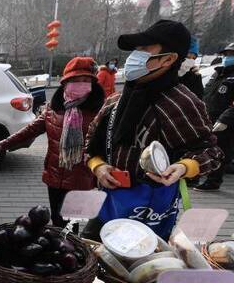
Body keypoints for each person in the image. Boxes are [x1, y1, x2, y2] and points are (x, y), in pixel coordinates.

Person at [83, 20, 222, 240]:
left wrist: (183, 167)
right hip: (109, 202)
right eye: (135, 50)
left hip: (149, 210)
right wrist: (97, 166)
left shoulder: (180, 103)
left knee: (139, 269)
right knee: (89, 258)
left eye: (145, 50)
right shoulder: (117, 100)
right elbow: (92, 140)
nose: (133, 57)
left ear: (168, 59)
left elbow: (210, 152)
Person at [0, 57, 103, 227]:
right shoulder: (53, 108)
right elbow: (31, 129)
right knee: (56, 219)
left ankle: (70, 247)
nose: (81, 84)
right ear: (66, 83)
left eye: (86, 80)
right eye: (76, 80)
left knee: (71, 223)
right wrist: (4, 143)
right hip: (55, 175)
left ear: (93, 83)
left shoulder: (99, 112)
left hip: (81, 177)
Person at [194, 43, 234, 191]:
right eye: (227, 54)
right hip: (208, 117)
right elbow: (207, 94)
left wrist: (226, 118)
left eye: (232, 54)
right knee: (204, 147)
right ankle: (196, 176)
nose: (228, 57)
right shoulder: (218, 73)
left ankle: (213, 181)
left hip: (225, 120)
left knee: (221, 150)